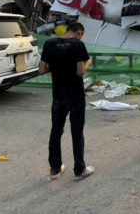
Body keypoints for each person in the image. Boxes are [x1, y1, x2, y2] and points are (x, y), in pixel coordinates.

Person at [39, 22, 95, 180]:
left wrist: (57, 66)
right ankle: (80, 170)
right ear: (80, 33)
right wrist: (88, 63)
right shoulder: (78, 45)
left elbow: (42, 70)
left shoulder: (49, 43)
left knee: (56, 132)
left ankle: (55, 169)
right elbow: (80, 72)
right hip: (75, 96)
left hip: (58, 96)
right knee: (77, 133)